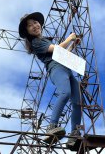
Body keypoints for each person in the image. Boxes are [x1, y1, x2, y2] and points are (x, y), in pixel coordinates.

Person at [18, 12, 82, 146]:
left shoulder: (46, 40)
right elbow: (58, 50)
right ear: (27, 32)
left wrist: (73, 45)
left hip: (65, 68)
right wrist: (69, 38)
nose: (34, 26)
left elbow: (63, 54)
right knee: (65, 93)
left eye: (35, 22)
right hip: (56, 68)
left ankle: (74, 134)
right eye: (30, 26)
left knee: (77, 102)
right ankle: (52, 126)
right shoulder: (36, 43)